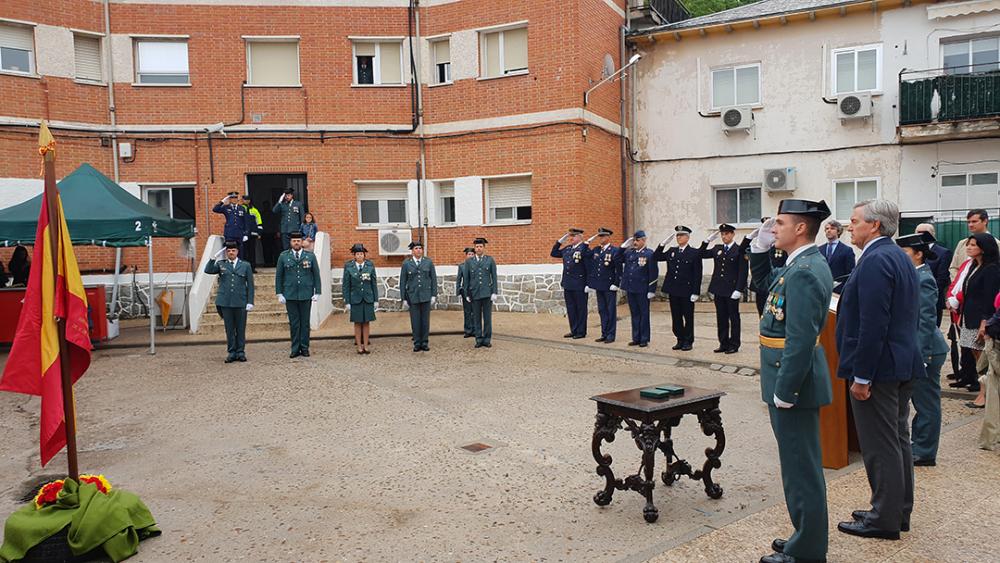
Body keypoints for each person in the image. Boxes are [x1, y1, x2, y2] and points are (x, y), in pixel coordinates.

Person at [747, 199, 833, 563]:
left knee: (802, 469)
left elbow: (800, 339)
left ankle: (808, 550)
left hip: (793, 384)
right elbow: (766, 286)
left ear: (800, 228)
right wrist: (758, 251)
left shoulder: (805, 271)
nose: (773, 228)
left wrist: (786, 389)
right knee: (797, 466)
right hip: (787, 378)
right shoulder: (796, 265)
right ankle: (804, 534)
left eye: (779, 223)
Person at [836, 199, 923, 541]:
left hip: (879, 370)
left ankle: (883, 518)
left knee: (881, 445)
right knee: (898, 439)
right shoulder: (897, 256)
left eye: (854, 221)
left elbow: (873, 323)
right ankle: (897, 510)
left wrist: (862, 376)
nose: (849, 226)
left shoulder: (875, 259)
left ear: (874, 225)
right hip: (900, 362)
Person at [896, 232, 949, 466]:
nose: (900, 257)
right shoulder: (912, 276)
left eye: (904, 253)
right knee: (921, 401)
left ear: (918, 254)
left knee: (926, 403)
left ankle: (925, 451)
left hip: (927, 349)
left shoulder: (923, 278)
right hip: (918, 347)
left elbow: (926, 320)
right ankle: (918, 445)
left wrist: (922, 354)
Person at [947, 209, 994, 388]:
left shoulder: (994, 247)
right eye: (968, 222)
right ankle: (967, 375)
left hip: (979, 310)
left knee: (981, 351)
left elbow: (989, 290)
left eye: (974, 221)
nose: (970, 225)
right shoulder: (962, 244)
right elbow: (955, 268)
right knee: (966, 345)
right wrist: (955, 293)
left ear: (985, 221)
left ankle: (981, 385)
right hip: (963, 305)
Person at [699, 223, 747, 354]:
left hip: (732, 290)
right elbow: (701, 254)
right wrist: (707, 241)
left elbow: (743, 272)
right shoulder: (717, 248)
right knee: (721, 317)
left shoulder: (739, 250)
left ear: (732, 234)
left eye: (726, 234)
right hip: (718, 289)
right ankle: (723, 343)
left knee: (734, 318)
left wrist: (739, 289)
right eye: (722, 234)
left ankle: (734, 344)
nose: (724, 236)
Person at [204, 240, 254, 363]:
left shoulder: (245, 265)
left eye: (233, 250)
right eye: (229, 251)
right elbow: (208, 270)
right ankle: (232, 352)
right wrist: (213, 258)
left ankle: (240, 351)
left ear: (237, 252)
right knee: (230, 329)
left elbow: (250, 285)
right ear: (226, 252)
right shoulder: (221, 264)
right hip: (225, 302)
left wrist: (250, 301)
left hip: (240, 301)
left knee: (240, 328)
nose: (231, 252)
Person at [653, 226, 701, 351]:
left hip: (687, 290)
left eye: (681, 235)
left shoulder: (694, 253)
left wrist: (696, 292)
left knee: (688, 317)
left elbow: (697, 274)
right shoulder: (672, 251)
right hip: (673, 290)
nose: (678, 237)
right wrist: (662, 244)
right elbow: (656, 257)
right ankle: (680, 339)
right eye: (677, 235)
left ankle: (688, 341)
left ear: (687, 237)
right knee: (676, 316)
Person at [275, 231, 321, 358]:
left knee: (305, 323)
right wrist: (279, 293)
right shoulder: (283, 256)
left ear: (302, 242)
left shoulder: (310, 256)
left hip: (306, 294)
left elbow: (316, 274)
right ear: (290, 242)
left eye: (298, 241)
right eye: (294, 241)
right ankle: (295, 348)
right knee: (294, 323)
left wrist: (317, 291)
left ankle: (304, 347)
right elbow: (279, 276)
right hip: (290, 294)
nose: (296, 243)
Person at [741, 218, 787, 317]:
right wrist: (749, 237)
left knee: (773, 313)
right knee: (761, 313)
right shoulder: (759, 245)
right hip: (760, 285)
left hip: (775, 284)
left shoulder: (781, 245)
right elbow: (741, 251)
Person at [619, 231, 658, 348]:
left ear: (644, 240)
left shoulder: (649, 254)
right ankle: (636, 338)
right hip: (631, 288)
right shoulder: (629, 253)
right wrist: (623, 247)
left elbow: (653, 272)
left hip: (642, 289)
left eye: (637, 240)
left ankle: (644, 338)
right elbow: (617, 258)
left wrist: (651, 289)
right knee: (634, 313)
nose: (635, 242)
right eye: (634, 240)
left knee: (644, 314)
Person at [585, 227, 622, 344]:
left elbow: (619, 269)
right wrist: (586, 244)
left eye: (602, 236)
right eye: (599, 236)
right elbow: (585, 255)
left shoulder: (614, 251)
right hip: (599, 285)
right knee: (602, 310)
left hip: (609, 285)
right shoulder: (596, 250)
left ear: (608, 237)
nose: (600, 238)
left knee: (610, 311)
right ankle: (604, 333)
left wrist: (616, 283)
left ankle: (611, 335)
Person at [551, 228, 589, 339]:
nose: (570, 238)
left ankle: (581, 331)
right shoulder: (567, 249)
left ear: (580, 237)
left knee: (580, 308)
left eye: (573, 236)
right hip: (568, 283)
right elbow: (554, 253)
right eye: (570, 236)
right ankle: (574, 329)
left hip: (579, 284)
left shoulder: (584, 249)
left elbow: (588, 268)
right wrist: (560, 241)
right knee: (571, 308)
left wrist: (588, 284)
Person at [399, 240, 437, 352]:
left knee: (425, 321)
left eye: (420, 248)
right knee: (415, 321)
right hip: (413, 296)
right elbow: (403, 281)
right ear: (412, 251)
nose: (418, 250)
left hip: (426, 295)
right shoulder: (407, 264)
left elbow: (433, 279)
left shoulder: (428, 262)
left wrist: (433, 295)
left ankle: (424, 342)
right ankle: (417, 342)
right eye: (416, 248)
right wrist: (404, 298)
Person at [343, 243, 378, 354]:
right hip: (355, 299)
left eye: (361, 254)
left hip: (368, 298)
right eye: (357, 254)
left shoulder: (370, 265)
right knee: (357, 323)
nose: (359, 256)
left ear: (364, 255)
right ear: (354, 255)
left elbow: (374, 283)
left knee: (366, 322)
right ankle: (359, 346)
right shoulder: (349, 266)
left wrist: (376, 300)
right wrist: (347, 301)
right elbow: (346, 285)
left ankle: (366, 345)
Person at [462, 237, 497, 348]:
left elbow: (494, 277)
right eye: (477, 247)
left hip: (487, 293)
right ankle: (478, 339)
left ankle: (486, 339)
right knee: (476, 318)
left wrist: (494, 292)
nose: (478, 248)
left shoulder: (490, 260)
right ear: (475, 248)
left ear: (484, 248)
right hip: (475, 293)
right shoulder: (469, 262)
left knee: (487, 318)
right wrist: (467, 293)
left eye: (480, 246)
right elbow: (466, 279)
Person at [916, 223, 951, 327]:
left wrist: (929, 293)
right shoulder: (912, 252)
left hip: (933, 300)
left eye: (924, 232)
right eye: (918, 232)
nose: (921, 235)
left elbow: (942, 278)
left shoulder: (943, 253)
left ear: (932, 234)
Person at [212, 192, 251, 259]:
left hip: (239, 234)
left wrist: (246, 234)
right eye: (232, 198)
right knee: (230, 251)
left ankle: (239, 265)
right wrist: (222, 201)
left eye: (235, 197)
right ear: (229, 199)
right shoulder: (226, 207)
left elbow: (246, 222)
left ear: (237, 199)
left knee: (240, 252)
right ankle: (231, 264)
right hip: (229, 234)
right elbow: (215, 209)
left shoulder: (242, 208)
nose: (234, 199)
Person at [456, 247, 476, 338]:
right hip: (466, 291)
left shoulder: (477, 265)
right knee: (467, 311)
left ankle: (475, 330)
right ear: (466, 255)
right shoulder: (462, 266)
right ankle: (468, 330)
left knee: (475, 311)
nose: (470, 256)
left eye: (472, 254)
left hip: (475, 291)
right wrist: (458, 290)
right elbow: (459, 279)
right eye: (469, 254)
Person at [241, 195, 263, 273]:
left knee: (252, 252)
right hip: (243, 234)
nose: (246, 201)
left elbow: (259, 222)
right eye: (245, 199)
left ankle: (252, 268)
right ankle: (244, 268)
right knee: (244, 251)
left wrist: (259, 233)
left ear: (250, 201)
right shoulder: (240, 209)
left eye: (248, 200)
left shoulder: (254, 210)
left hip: (253, 234)